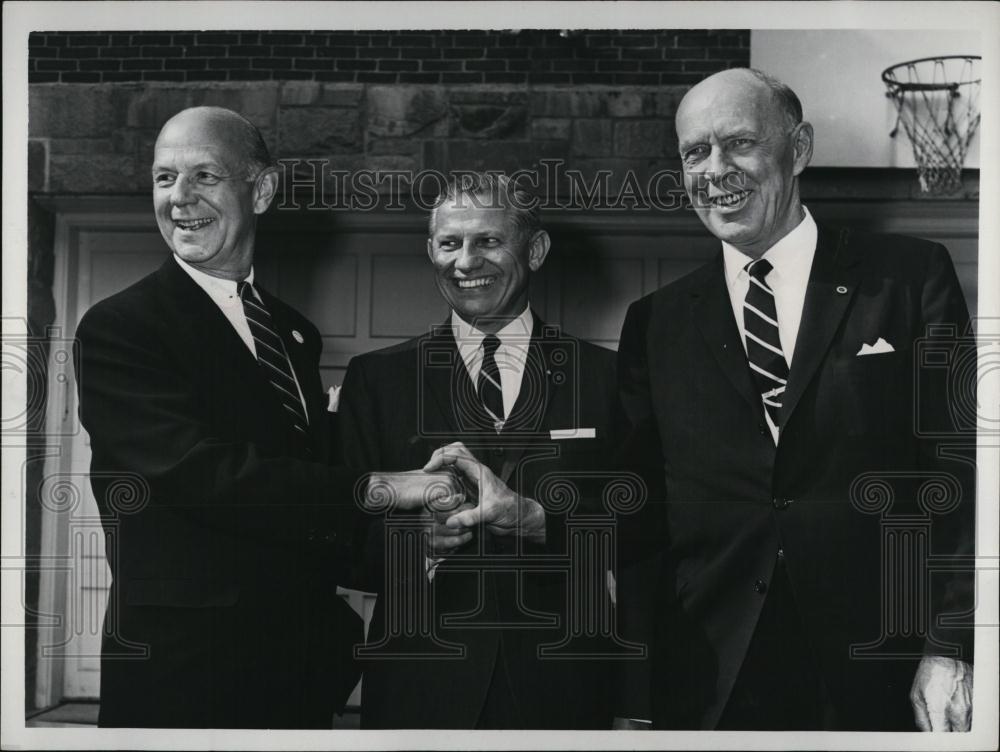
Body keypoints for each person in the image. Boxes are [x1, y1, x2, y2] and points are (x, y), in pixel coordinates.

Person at [614, 68, 975, 731]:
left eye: (739, 144)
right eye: (696, 152)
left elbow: (960, 473)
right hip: (709, 686)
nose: (715, 170)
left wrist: (954, 644)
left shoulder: (910, 278)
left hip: (880, 671)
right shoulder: (655, 322)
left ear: (798, 148)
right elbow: (636, 514)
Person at [75, 106, 378, 728]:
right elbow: (201, 473)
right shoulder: (121, 327)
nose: (179, 199)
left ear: (261, 190)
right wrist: (374, 489)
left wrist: (409, 538)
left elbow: (301, 487)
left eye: (205, 176)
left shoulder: (293, 331)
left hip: (297, 665)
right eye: (164, 178)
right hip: (185, 674)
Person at [339, 173, 623, 729]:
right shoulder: (377, 379)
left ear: (534, 250)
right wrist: (415, 540)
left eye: (488, 241)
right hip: (418, 691)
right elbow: (340, 538)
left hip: (566, 687)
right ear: (430, 251)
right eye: (449, 243)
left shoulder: (607, 378)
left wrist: (540, 520)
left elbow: (645, 531)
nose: (466, 262)